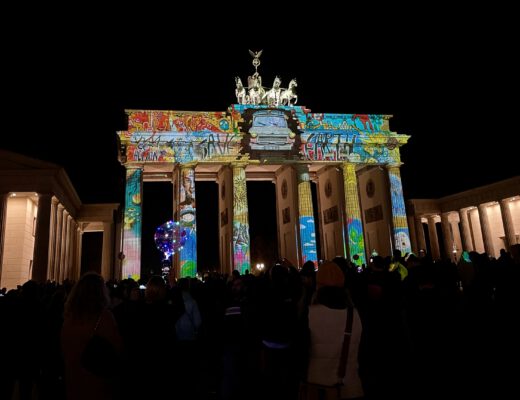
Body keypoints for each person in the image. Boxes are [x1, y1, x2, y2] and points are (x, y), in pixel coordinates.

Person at [306, 261, 364, 399]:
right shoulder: (355, 315)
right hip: (350, 388)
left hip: (318, 389)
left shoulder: (308, 315)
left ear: (318, 286)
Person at [61, 272, 123, 400]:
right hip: (97, 382)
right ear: (101, 292)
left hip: (72, 380)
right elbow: (119, 350)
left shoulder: (68, 318)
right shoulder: (104, 318)